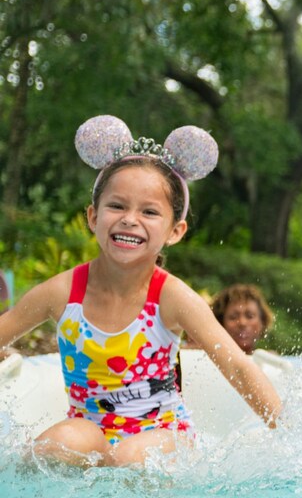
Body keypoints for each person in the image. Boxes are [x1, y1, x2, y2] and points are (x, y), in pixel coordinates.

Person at [0, 115, 282, 467]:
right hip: (92, 429)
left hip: (163, 435)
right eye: (117, 206)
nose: (130, 219)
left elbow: (238, 366)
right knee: (55, 444)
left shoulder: (171, 297)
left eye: (149, 211)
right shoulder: (62, 292)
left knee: (132, 457)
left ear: (175, 231)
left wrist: (288, 434)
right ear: (93, 216)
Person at [211, 284, 275, 355]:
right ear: (220, 323)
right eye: (233, 317)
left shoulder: (271, 361)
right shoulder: (205, 359)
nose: (242, 323)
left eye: (250, 316)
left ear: (262, 322)